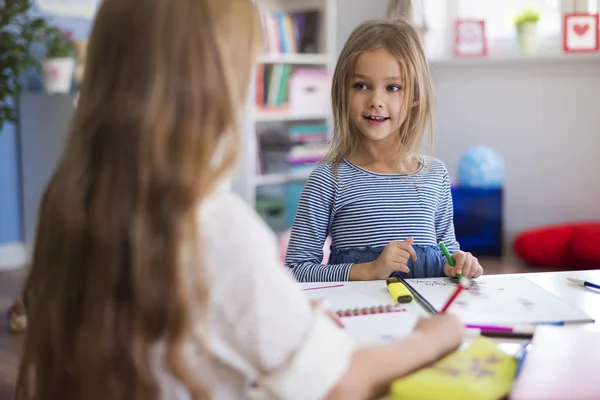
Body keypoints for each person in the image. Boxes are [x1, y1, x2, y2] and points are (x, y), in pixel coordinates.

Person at [15, 3, 465, 399]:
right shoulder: (216, 226)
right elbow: (339, 384)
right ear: (211, 87)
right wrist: (432, 339)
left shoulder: (67, 199)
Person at [285, 18, 484, 283]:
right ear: (343, 91)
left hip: (427, 320)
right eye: (361, 86)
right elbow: (294, 271)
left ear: (415, 95)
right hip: (362, 319)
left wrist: (459, 264)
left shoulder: (435, 175)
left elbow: (448, 252)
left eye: (393, 88)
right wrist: (366, 270)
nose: (376, 101)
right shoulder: (327, 180)